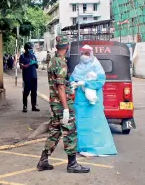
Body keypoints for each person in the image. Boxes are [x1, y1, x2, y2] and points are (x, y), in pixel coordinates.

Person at [37, 35, 90, 173]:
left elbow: (59, 84)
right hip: (61, 104)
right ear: (67, 47)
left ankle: (43, 161)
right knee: (70, 131)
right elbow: (60, 87)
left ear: (57, 46)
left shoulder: (53, 60)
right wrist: (66, 108)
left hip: (55, 103)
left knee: (55, 132)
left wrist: (68, 86)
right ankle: (72, 165)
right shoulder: (61, 63)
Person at [70, 44, 117, 157]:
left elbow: (100, 82)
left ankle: (96, 147)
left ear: (91, 54)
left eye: (87, 54)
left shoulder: (96, 67)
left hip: (93, 102)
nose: (84, 56)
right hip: (80, 101)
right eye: (83, 53)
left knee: (94, 124)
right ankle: (82, 147)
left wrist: (85, 83)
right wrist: (73, 84)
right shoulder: (77, 68)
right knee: (81, 123)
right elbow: (72, 79)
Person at [19, 42, 40, 112]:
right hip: (27, 77)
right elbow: (21, 66)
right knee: (26, 92)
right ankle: (24, 106)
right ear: (26, 49)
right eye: (30, 48)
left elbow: (37, 66)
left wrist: (35, 63)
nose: (31, 49)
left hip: (34, 76)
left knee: (34, 92)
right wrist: (29, 64)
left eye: (32, 48)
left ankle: (33, 106)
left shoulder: (33, 56)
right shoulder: (22, 56)